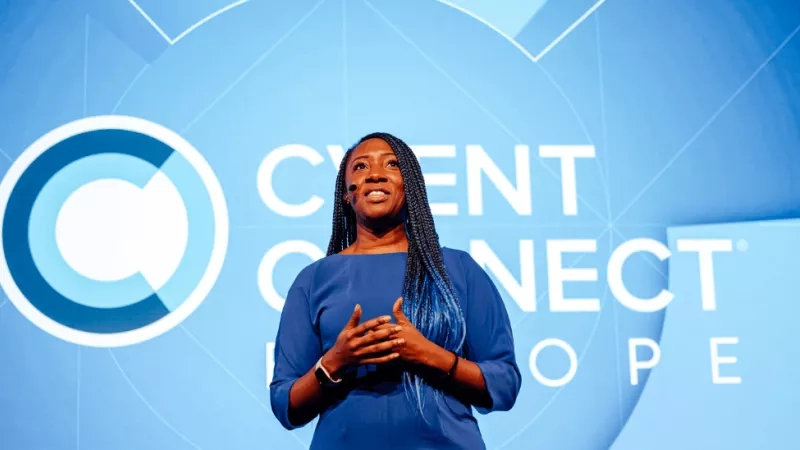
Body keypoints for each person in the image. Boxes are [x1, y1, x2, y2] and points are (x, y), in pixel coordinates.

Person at [269, 132, 521, 449]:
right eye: (360, 167)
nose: (375, 173)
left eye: (392, 164)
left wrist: (429, 355)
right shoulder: (314, 279)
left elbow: (504, 383)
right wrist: (336, 360)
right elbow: (285, 404)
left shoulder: (458, 269)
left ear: (410, 185)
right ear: (347, 194)